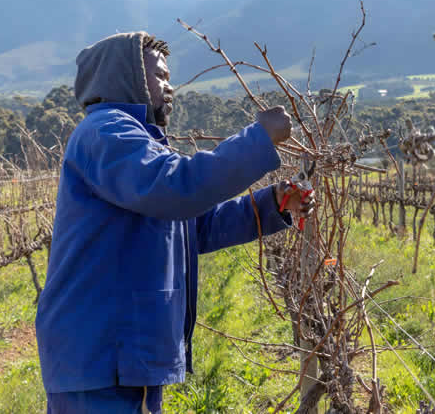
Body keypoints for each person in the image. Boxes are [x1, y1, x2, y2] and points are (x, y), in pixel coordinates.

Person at [35, 32, 313, 413]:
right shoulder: (105, 133)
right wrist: (257, 140)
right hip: (101, 355)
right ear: (128, 78)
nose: (170, 87)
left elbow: (194, 228)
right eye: (159, 76)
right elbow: (179, 188)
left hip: (126, 353)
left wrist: (271, 205)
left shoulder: (140, 142)